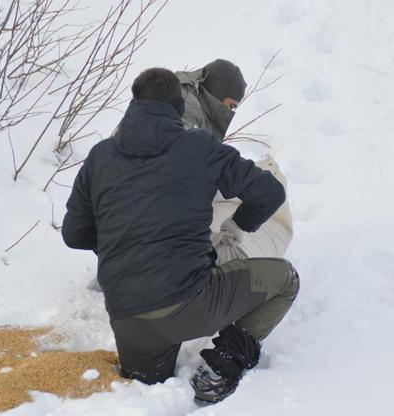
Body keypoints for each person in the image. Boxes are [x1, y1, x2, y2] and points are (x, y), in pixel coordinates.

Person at [61, 68, 300, 403]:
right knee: (285, 280)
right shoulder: (199, 145)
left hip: (128, 318)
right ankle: (223, 365)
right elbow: (269, 193)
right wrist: (237, 225)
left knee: (148, 394)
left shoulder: (100, 156)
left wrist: (122, 242)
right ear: (178, 107)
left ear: (134, 104)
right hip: (188, 304)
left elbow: (74, 234)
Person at [177, 59, 294, 264]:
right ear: (217, 93)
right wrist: (233, 229)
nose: (230, 112)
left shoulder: (179, 97)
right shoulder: (188, 119)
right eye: (230, 105)